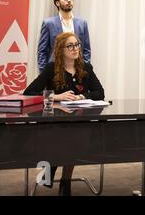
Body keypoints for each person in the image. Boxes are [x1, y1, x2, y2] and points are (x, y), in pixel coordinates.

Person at [24, 32, 104, 195]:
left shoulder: (85, 68)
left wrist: (82, 96)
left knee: (75, 137)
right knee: (63, 139)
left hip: (78, 122)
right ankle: (50, 167)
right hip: (54, 121)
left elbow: (99, 92)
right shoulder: (51, 68)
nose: (75, 49)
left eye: (77, 45)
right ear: (61, 49)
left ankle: (65, 181)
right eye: (70, 46)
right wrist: (56, 96)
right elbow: (29, 92)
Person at [38, 0, 91, 72]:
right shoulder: (48, 23)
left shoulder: (82, 23)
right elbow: (42, 51)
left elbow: (86, 50)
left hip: (77, 70)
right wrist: (43, 74)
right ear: (57, 3)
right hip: (55, 70)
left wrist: (85, 70)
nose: (69, 0)